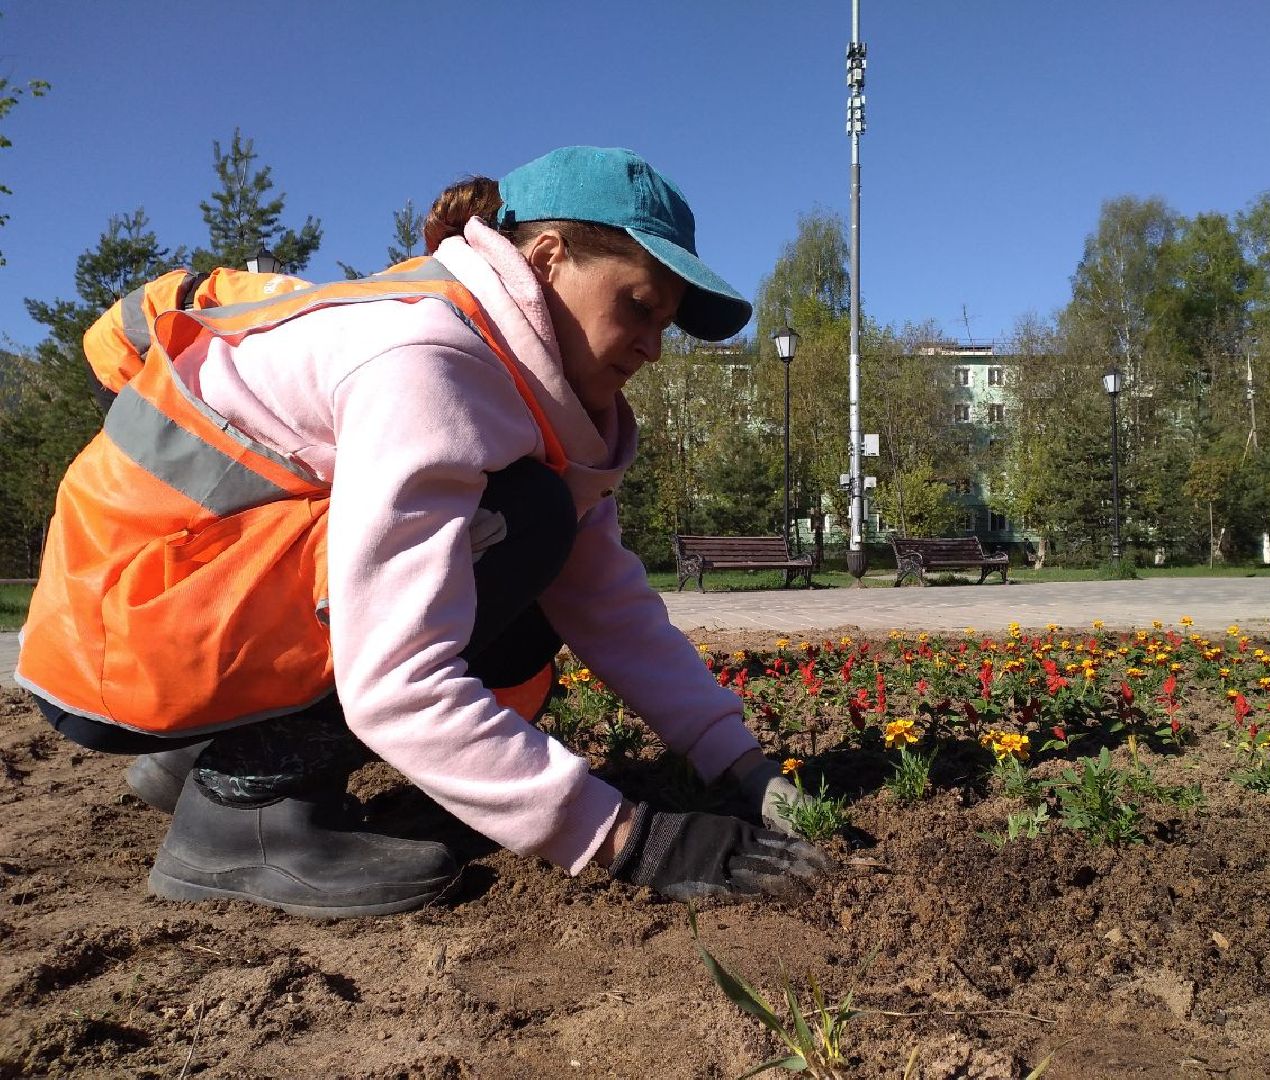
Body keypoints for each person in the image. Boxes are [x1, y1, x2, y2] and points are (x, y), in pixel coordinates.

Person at [16, 146, 828, 918]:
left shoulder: (527, 392)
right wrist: (631, 841)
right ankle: (241, 817)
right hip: (114, 638)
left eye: (668, 323)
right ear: (546, 257)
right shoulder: (426, 358)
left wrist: (744, 766)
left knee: (542, 538)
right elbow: (395, 674)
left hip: (175, 617)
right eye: (637, 305)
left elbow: (609, 605)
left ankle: (208, 759)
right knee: (526, 523)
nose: (652, 345)